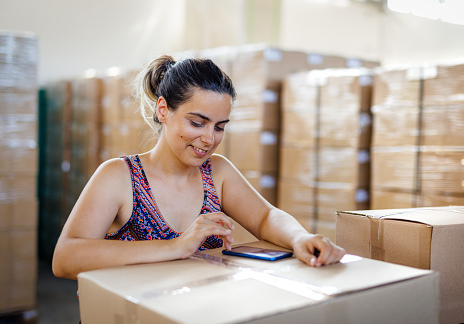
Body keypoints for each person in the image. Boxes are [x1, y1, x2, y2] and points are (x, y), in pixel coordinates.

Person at [52, 55, 346, 281]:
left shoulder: (217, 173)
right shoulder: (118, 176)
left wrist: (300, 238)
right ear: (164, 110)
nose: (209, 139)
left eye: (219, 127)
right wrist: (176, 247)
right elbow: (65, 258)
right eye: (197, 122)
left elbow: (266, 216)